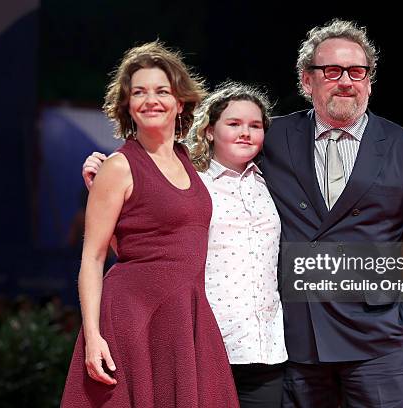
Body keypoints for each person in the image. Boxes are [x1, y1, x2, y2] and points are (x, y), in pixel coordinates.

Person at [260, 19, 403, 407]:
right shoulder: (270, 138)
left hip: (378, 341)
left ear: (369, 80)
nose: (346, 80)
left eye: (357, 71)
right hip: (295, 339)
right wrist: (118, 174)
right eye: (332, 71)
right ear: (306, 80)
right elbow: (202, 165)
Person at [84, 82, 288, 408]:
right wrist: (103, 194)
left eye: (255, 126)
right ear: (208, 131)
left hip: (266, 351)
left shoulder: (273, 182)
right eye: (234, 124)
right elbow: (141, 253)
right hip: (202, 342)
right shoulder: (187, 180)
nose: (246, 133)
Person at [61, 41, 239, 407]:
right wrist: (93, 337)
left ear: (180, 101)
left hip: (185, 315)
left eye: (161, 91)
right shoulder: (119, 166)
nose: (150, 100)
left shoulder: (185, 157)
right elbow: (93, 260)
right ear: (127, 104)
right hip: (134, 318)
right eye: (138, 92)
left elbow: (146, 243)